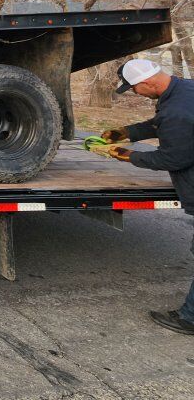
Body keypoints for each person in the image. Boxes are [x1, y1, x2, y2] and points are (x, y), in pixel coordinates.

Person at [102, 58, 194, 335]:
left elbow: (173, 157)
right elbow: (159, 124)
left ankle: (190, 319)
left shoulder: (177, 110)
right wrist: (125, 133)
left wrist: (129, 156)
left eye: (133, 89)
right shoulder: (183, 90)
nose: (133, 93)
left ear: (147, 83)